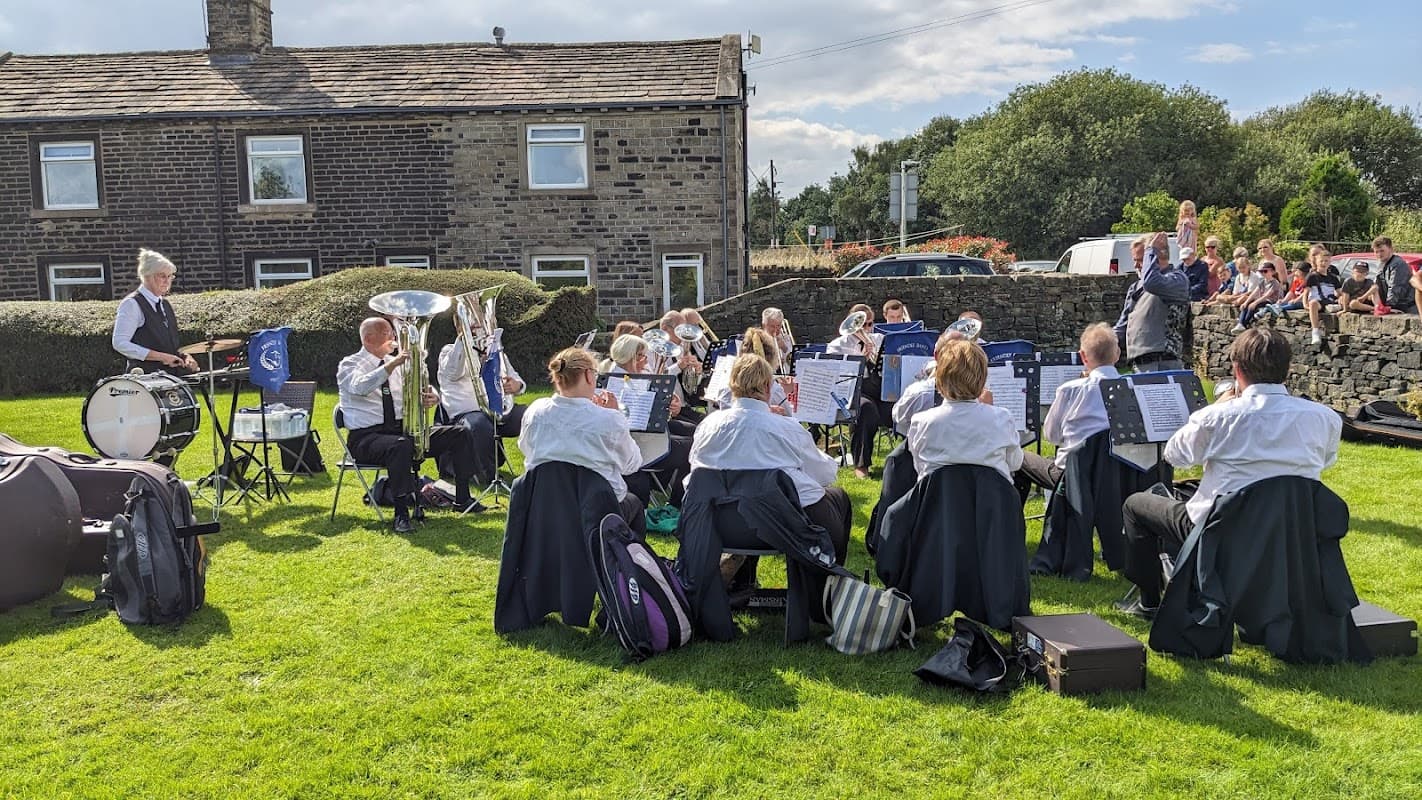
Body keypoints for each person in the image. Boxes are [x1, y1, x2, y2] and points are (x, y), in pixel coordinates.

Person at [1115, 328, 1340, 618]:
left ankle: (1149, 602)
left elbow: (1175, 454)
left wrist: (1215, 408)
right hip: (1291, 528)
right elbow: (1325, 461)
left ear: (1237, 369)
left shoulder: (1217, 416)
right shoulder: (1324, 417)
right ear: (1287, 370)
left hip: (1222, 528)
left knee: (1136, 505)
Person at [688, 352, 852, 563]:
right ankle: (827, 586)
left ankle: (741, 583)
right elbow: (825, 474)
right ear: (767, 386)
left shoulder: (706, 426)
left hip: (718, 524)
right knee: (837, 497)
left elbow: (695, 470)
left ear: (732, 385)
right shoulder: (784, 427)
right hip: (782, 527)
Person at [337, 317, 479, 533]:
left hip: (402, 431)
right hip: (365, 439)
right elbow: (360, 387)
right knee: (400, 446)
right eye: (387, 333)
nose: (394, 337)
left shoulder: (398, 363)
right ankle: (401, 514)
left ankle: (462, 498)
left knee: (459, 434)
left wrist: (433, 396)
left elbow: (422, 383)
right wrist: (391, 364)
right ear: (368, 338)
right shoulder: (350, 365)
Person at [518, 347, 646, 532]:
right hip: (597, 512)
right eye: (595, 373)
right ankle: (623, 559)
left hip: (545, 505)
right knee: (634, 504)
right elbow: (632, 465)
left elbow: (525, 448)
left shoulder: (535, 411)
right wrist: (613, 413)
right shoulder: (609, 419)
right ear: (588, 375)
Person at [1016, 323, 1121, 495]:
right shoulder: (1131, 388)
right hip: (1117, 472)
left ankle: (1013, 521)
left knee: (1020, 458)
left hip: (1072, 473)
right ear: (1117, 355)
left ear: (1083, 356)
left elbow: (1052, 436)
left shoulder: (1070, 390)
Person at [906, 339, 1023, 484]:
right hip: (990, 503)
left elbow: (919, 465)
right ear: (982, 378)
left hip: (938, 503)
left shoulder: (921, 421)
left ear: (941, 378)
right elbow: (1015, 463)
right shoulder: (1002, 418)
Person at [437, 330, 527, 486]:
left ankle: (542, 468)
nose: (477, 331)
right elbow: (453, 372)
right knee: (480, 425)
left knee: (534, 415)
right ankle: (487, 476)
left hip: (500, 411)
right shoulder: (449, 351)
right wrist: (463, 339)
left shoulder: (495, 351)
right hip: (466, 415)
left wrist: (517, 385)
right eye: (473, 328)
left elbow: (515, 377)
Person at [111, 248, 199, 374]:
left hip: (170, 378)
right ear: (147, 276)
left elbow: (167, 344)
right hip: (144, 380)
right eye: (162, 276)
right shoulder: (132, 304)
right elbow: (120, 343)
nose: (167, 281)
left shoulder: (165, 304)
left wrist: (185, 356)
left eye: (170, 276)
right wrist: (161, 357)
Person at [827, 302, 886, 479]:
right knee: (866, 410)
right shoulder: (837, 345)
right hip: (853, 392)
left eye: (871, 323)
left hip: (878, 387)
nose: (868, 329)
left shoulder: (879, 339)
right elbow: (835, 377)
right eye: (864, 324)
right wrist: (860, 358)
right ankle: (861, 465)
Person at [1124, 231, 1189, 373]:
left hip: (1164, 362)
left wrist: (1150, 250)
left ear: (1157, 256)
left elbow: (1151, 283)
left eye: (1141, 259)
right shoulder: (1135, 288)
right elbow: (1122, 325)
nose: (1136, 265)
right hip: (1140, 364)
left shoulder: (1177, 279)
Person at [713, 327, 795, 415]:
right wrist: (787, 394)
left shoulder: (725, 385)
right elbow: (789, 418)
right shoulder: (774, 389)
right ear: (770, 357)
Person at [1304, 246, 1343, 346]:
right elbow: (1306, 292)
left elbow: (1339, 292)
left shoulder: (1333, 278)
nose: (1323, 263)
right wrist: (1305, 304)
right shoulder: (1312, 276)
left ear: (1329, 262)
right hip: (1318, 301)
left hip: (1329, 300)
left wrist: (1341, 298)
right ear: (1316, 262)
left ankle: (1334, 308)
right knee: (1313, 303)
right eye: (1321, 261)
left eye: (1326, 261)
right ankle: (1315, 332)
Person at [1231, 260, 1284, 332]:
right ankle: (1241, 323)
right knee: (1246, 305)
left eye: (1265, 271)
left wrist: (1255, 303)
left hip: (1271, 302)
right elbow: (1254, 293)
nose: (1263, 273)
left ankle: (1243, 323)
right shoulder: (1262, 282)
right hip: (1262, 300)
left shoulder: (1275, 283)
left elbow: (1266, 296)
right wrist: (1246, 302)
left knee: (1252, 305)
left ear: (1272, 271)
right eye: (1261, 271)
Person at [1373, 236, 1418, 314]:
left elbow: (1396, 288)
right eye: (1376, 252)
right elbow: (1376, 286)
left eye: (1382, 251)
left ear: (1391, 249)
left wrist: (1389, 307)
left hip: (1407, 308)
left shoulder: (1398, 264)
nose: (1379, 254)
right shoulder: (1381, 264)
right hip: (1397, 307)